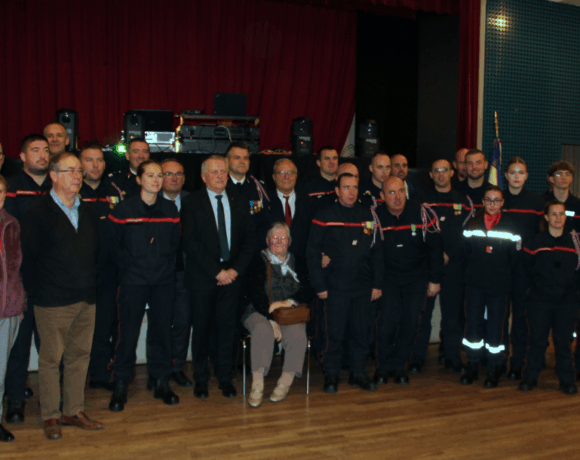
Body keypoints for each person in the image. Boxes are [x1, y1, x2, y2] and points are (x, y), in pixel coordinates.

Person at [21, 152, 103, 440]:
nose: (78, 176)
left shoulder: (88, 211)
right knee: (50, 360)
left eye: (80, 171)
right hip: (52, 300)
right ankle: (51, 415)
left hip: (86, 298)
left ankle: (73, 410)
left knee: (79, 357)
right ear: (54, 175)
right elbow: (28, 260)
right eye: (71, 171)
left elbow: (95, 253)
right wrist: (38, 293)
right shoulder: (37, 213)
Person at [107, 160, 181, 411]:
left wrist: (163, 268)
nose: (156, 180)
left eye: (159, 175)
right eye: (150, 175)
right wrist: (130, 269)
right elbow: (114, 247)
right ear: (138, 179)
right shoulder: (123, 210)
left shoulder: (170, 209)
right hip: (133, 281)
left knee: (162, 332)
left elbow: (174, 245)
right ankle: (120, 383)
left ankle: (161, 381)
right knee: (127, 334)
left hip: (163, 282)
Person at [181, 155, 256, 400]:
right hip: (204, 277)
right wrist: (217, 271)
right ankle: (201, 379)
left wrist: (234, 271)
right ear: (203, 177)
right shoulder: (191, 202)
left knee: (227, 331)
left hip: (232, 278)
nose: (220, 176)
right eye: (214, 172)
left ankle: (225, 378)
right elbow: (189, 242)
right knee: (201, 331)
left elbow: (250, 241)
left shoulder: (239, 200)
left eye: (223, 171)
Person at [307, 172, 383, 393]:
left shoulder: (368, 215)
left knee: (361, 333)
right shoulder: (324, 216)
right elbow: (312, 252)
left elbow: (377, 252)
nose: (351, 192)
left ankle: (358, 373)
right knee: (334, 333)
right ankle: (331, 374)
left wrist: (377, 284)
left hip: (362, 286)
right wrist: (320, 285)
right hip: (334, 287)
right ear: (337, 191)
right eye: (346, 187)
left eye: (355, 187)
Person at [374, 176, 442, 385]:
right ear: (382, 196)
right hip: (388, 278)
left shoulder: (422, 212)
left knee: (411, 322)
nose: (397, 197)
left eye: (401, 191)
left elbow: (435, 248)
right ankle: (383, 366)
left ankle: (400, 366)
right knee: (386, 324)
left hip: (416, 278)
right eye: (391, 192)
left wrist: (435, 279)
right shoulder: (374, 216)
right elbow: (371, 252)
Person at [4, 134, 51, 424]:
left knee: (50, 347)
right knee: (19, 347)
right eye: (35, 150)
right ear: (22, 156)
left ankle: (52, 400)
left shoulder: (56, 186)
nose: (42, 155)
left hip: (50, 282)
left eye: (46, 150)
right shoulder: (10, 188)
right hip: (21, 281)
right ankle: (15, 400)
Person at [243, 222, 314, 407]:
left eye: (283, 238)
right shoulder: (257, 261)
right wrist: (271, 319)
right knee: (263, 330)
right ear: (267, 241)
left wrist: (286, 303)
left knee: (298, 333)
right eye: (275, 237)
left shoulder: (298, 261)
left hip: (290, 312)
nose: (279, 241)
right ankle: (257, 384)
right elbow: (255, 293)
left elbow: (308, 289)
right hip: (259, 310)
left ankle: (285, 382)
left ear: (289, 242)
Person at [410, 159, 469, 374]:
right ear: (431, 175)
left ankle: (452, 357)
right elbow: (419, 233)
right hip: (428, 267)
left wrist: (449, 253)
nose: (441, 174)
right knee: (423, 315)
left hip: (454, 266)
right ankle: (417, 358)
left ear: (452, 172)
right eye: (437, 171)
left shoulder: (463, 200)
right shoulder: (422, 200)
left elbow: (466, 234)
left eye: (445, 170)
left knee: (452, 316)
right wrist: (435, 256)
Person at [460, 186, 521, 388]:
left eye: (496, 200)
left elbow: (515, 259)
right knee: (473, 326)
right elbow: (465, 253)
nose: (492, 204)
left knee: (496, 328)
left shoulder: (511, 226)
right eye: (488, 200)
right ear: (483, 202)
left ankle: (494, 367)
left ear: (502, 203)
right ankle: (473, 365)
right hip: (475, 285)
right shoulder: (472, 223)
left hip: (499, 286)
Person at [520, 201, 580, 395]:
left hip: (567, 301)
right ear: (546, 217)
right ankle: (530, 377)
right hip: (540, 299)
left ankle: (567, 380)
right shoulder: (536, 242)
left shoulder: (575, 242)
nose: (558, 218)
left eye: (561, 214)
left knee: (563, 342)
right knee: (537, 340)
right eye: (553, 214)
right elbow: (526, 268)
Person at [78, 144, 123, 391]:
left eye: (99, 160)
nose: (95, 165)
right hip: (79, 272)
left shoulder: (114, 191)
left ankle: (100, 374)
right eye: (89, 160)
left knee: (105, 324)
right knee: (77, 327)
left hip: (109, 271)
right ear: (79, 163)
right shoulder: (73, 190)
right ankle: (72, 379)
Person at [145, 158, 193, 388]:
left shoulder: (193, 201)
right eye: (168, 174)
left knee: (183, 322)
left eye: (179, 174)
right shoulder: (150, 201)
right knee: (159, 323)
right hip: (158, 274)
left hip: (185, 273)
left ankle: (176, 367)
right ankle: (156, 371)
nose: (174, 178)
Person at [501, 157, 544, 380]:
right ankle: (498, 361)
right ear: (506, 175)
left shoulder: (536, 202)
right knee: (499, 317)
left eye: (520, 172)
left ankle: (517, 364)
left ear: (526, 176)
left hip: (524, 270)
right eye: (512, 172)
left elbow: (540, 237)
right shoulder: (498, 199)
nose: (516, 176)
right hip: (499, 268)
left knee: (519, 319)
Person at [0, 174, 26, 442]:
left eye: (0, 191)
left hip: (7, 308)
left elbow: (15, 268)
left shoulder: (11, 223)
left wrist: (18, 301)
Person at [265, 158, 308, 255]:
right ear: (274, 177)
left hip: (302, 259)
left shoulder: (308, 202)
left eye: (290, 172)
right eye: (281, 173)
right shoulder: (265, 201)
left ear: (296, 176)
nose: (286, 176)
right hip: (272, 259)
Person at [544, 160, 580, 233]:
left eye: (567, 174)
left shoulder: (578, 204)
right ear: (551, 179)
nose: (564, 177)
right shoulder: (541, 202)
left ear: (571, 178)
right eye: (559, 174)